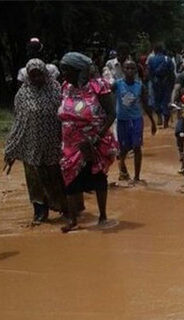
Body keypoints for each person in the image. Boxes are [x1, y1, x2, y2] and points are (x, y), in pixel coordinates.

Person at [57, 52, 118, 233]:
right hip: (70, 144)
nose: (64, 74)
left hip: (94, 142)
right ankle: (73, 219)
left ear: (78, 70)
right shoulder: (65, 87)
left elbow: (111, 113)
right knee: (70, 179)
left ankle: (103, 216)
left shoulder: (98, 87)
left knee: (98, 177)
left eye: (67, 70)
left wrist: (97, 137)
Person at [4, 59, 67, 224]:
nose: (37, 78)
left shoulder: (56, 91)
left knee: (57, 177)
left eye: (39, 74)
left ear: (45, 73)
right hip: (31, 146)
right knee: (35, 181)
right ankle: (40, 212)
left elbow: (67, 117)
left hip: (54, 144)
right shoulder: (22, 95)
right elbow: (18, 123)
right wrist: (11, 150)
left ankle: (65, 208)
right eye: (33, 75)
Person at [112, 60, 157, 183]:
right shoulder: (117, 84)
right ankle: (123, 170)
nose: (130, 71)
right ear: (123, 70)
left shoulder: (140, 86)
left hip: (136, 119)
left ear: (136, 71)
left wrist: (152, 122)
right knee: (123, 148)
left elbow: (146, 104)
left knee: (137, 147)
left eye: (132, 68)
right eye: (127, 68)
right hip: (122, 120)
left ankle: (137, 176)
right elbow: (108, 99)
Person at [148, 42, 176, 128]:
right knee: (166, 100)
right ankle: (166, 122)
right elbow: (172, 71)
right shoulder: (168, 59)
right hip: (166, 82)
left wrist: (152, 81)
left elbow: (149, 72)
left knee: (156, 100)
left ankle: (159, 118)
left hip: (155, 82)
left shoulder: (151, 59)